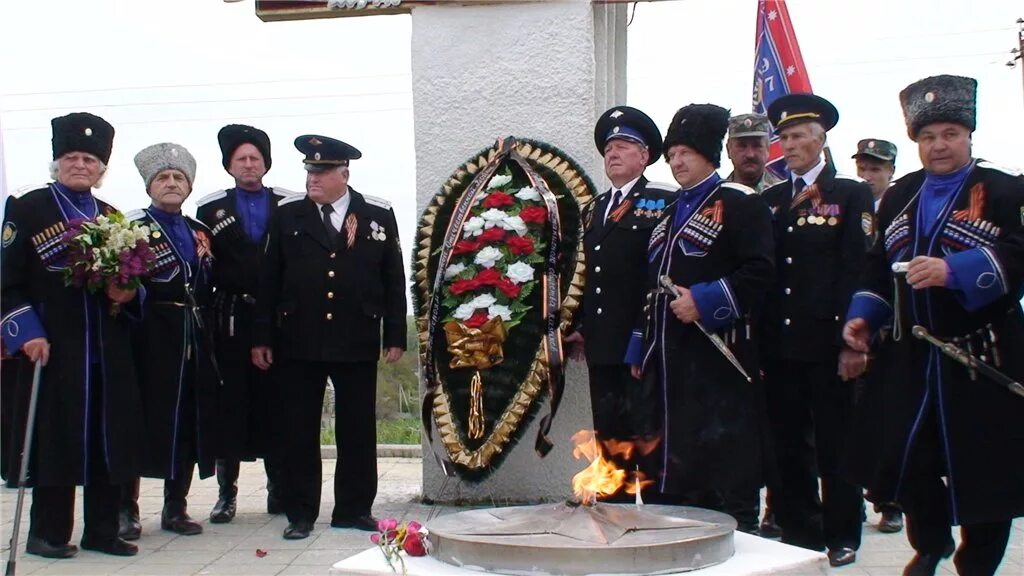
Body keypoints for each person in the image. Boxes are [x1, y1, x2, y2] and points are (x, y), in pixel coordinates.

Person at [842, 74, 1024, 576]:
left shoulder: (1007, 189)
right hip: (911, 358)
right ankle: (930, 543)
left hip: (981, 355)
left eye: (949, 134)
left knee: (987, 471)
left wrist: (955, 271)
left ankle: (977, 562)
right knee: (906, 459)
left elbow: (1018, 255)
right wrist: (863, 316)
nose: (938, 145)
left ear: (968, 135)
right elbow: (877, 267)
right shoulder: (900, 195)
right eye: (927, 137)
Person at [624, 103, 775, 534]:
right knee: (680, 459)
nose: (677, 161)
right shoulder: (669, 213)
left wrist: (706, 302)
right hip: (668, 357)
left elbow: (760, 271)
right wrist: (640, 343)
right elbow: (650, 284)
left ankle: (741, 539)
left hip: (719, 355)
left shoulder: (739, 202)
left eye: (686, 152)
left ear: (710, 155)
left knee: (726, 459)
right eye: (671, 154)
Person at [1, 112, 144, 558]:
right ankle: (48, 533)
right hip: (55, 349)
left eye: (89, 159)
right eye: (71, 157)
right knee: (56, 439)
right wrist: (26, 332)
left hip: (105, 349)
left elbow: (136, 285)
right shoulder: (27, 207)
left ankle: (102, 530)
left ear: (102, 169)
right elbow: (7, 282)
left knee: (107, 440)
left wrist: (125, 293)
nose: (80, 165)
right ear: (56, 161)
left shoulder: (112, 216)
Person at [253, 134, 407, 540]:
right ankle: (300, 511)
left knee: (357, 429)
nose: (313, 179)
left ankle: (353, 509)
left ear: (344, 173)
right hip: (298, 338)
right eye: (309, 171)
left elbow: (393, 277)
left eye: (322, 172)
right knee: (299, 429)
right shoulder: (288, 215)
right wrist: (262, 336)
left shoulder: (376, 213)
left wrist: (394, 333)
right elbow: (269, 278)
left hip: (356, 335)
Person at [759, 93, 874, 566]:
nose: (789, 145)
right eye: (783, 137)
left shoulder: (849, 194)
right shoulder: (769, 200)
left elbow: (859, 268)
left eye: (799, 136)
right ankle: (802, 532)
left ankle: (843, 532)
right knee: (788, 445)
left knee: (836, 445)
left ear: (821, 139)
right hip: (780, 347)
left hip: (828, 345)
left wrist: (853, 340)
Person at [564, 106, 674, 495]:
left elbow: (658, 275)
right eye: (609, 146)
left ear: (644, 156)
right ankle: (615, 517)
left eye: (625, 145)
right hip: (601, 343)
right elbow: (588, 274)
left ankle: (656, 520)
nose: (613, 153)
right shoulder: (594, 209)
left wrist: (640, 335)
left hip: (640, 343)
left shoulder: (663, 202)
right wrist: (578, 328)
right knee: (609, 438)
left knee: (646, 436)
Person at [116, 143, 219, 539]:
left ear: (189, 186)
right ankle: (127, 508)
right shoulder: (132, 227)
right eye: (163, 178)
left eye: (178, 178)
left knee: (190, 420)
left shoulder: (200, 232)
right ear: (149, 186)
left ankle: (175, 507)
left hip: (193, 334)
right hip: (149, 337)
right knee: (141, 420)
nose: (171, 184)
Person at [195, 124, 293, 524]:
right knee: (230, 405)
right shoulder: (210, 208)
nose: (249, 165)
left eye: (255, 158)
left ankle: (279, 489)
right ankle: (226, 494)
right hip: (231, 319)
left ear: (266, 163)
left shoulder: (288, 203)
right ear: (229, 165)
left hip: (277, 320)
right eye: (241, 159)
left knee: (277, 404)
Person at [850, 137, 904, 535]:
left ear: (891, 173)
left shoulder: (898, 211)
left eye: (877, 169)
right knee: (852, 421)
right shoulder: (849, 205)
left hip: (892, 331)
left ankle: (891, 501)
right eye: (864, 169)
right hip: (852, 328)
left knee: (889, 420)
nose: (869, 177)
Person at [725, 113, 783, 193]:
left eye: (757, 145)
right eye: (742, 146)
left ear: (768, 149)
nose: (750, 155)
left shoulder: (784, 194)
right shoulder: (715, 196)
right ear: (728, 150)